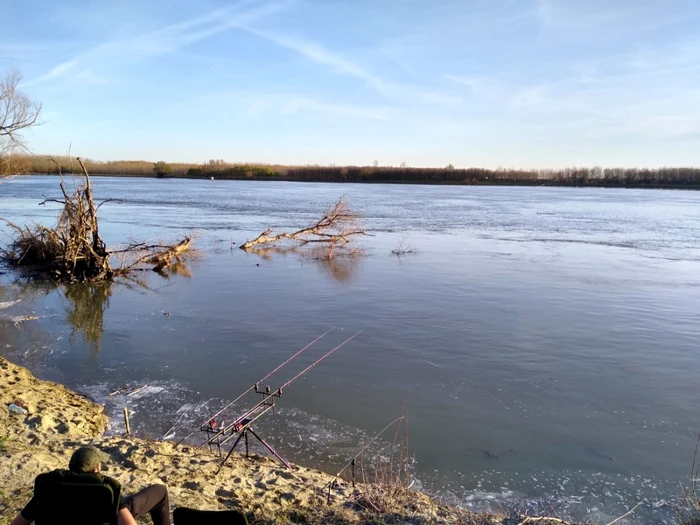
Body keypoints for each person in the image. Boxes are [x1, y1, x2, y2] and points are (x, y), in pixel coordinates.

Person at [9, 445, 171, 525]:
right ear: (96, 468)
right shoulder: (107, 489)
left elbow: (18, 524)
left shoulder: (48, 486)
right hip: (109, 508)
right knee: (160, 491)